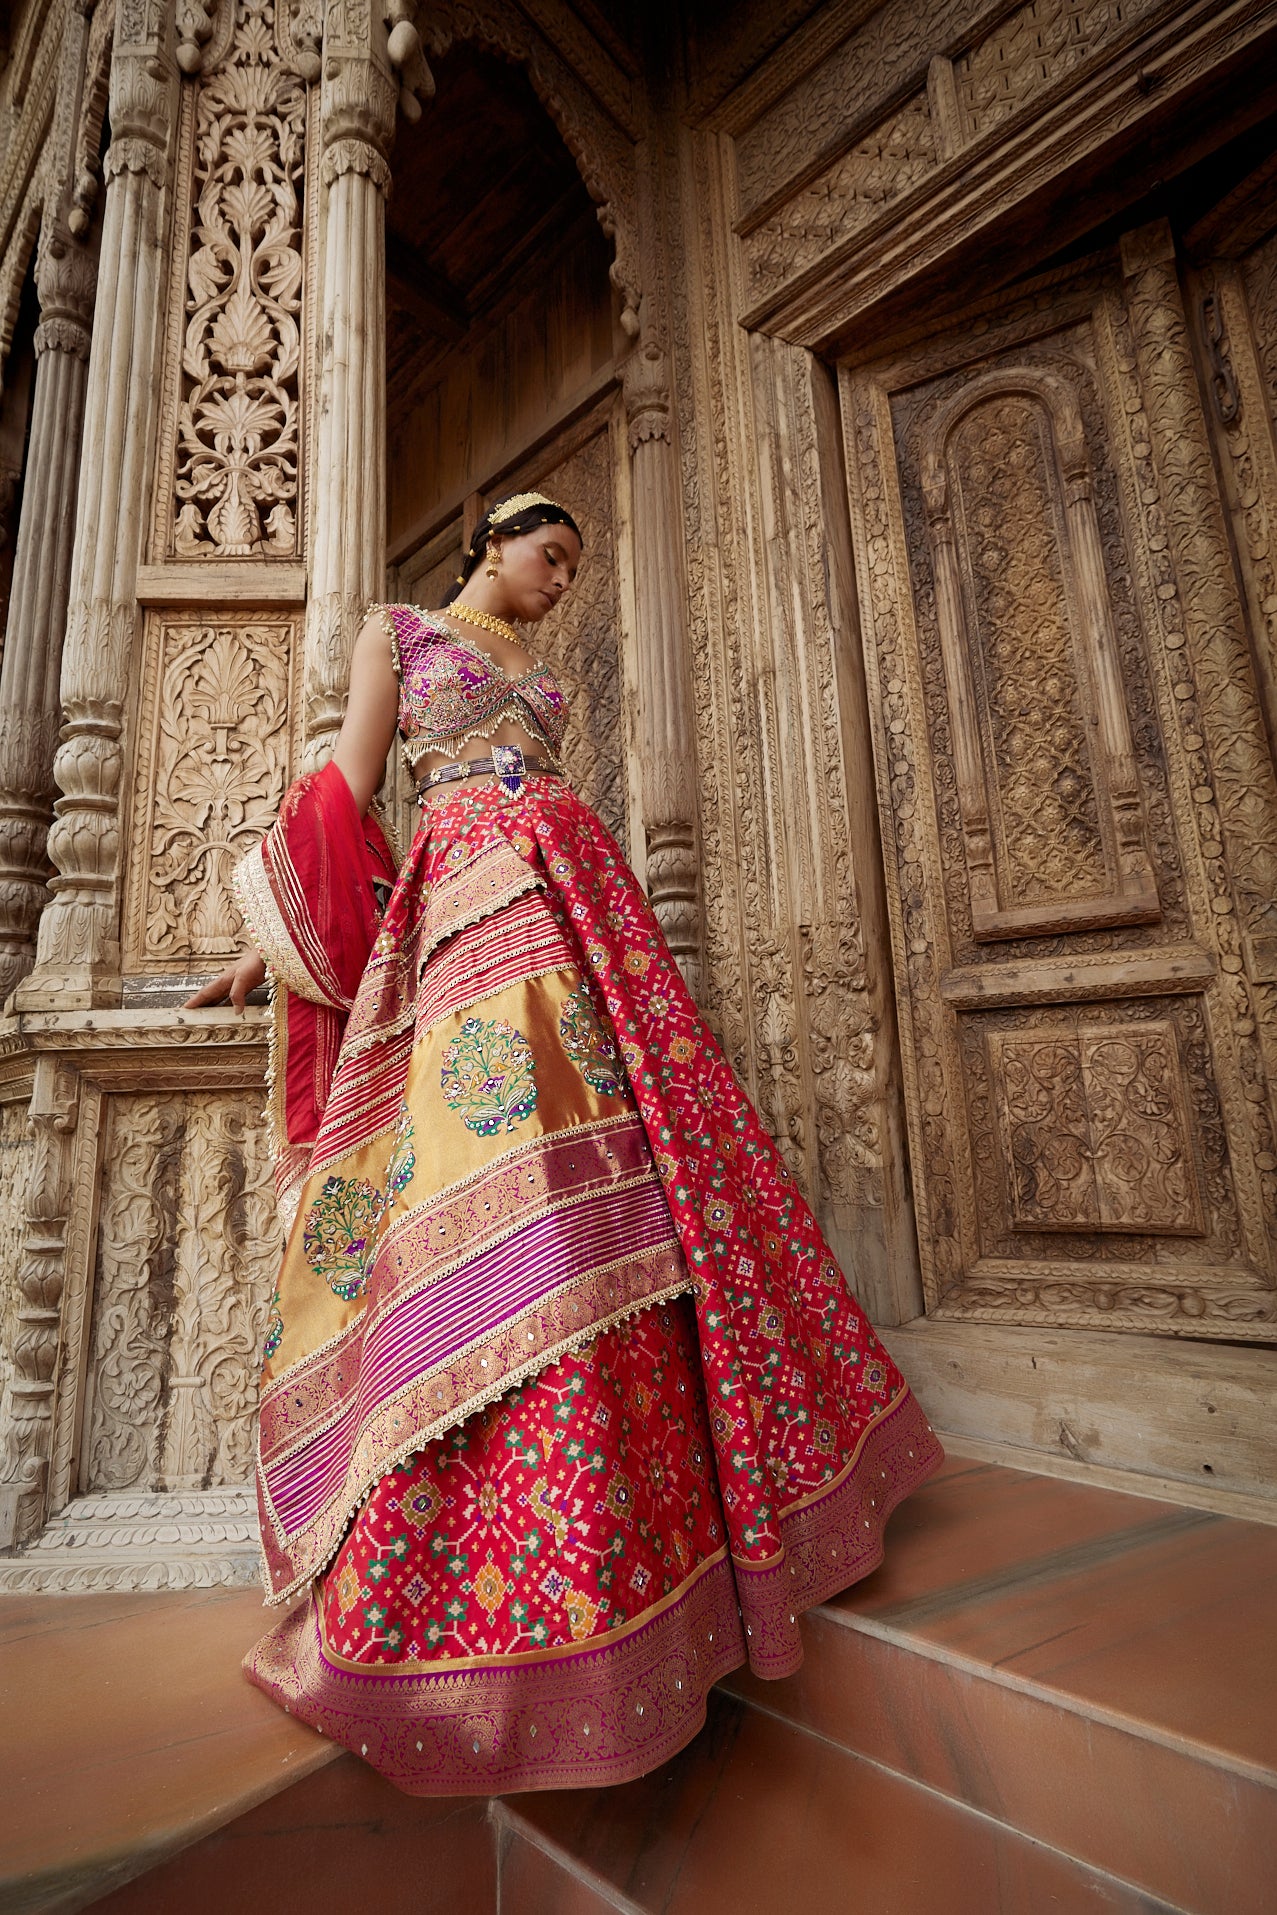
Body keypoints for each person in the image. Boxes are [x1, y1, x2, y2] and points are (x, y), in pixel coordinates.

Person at [188, 490, 942, 1796]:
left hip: (582, 910)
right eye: (550, 558)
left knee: (634, 1190)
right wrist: (275, 949)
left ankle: (653, 1523)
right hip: (475, 913)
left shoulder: (543, 675)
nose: (559, 584)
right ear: (493, 539)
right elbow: (343, 798)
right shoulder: (402, 635)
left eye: (575, 570)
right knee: (511, 1178)